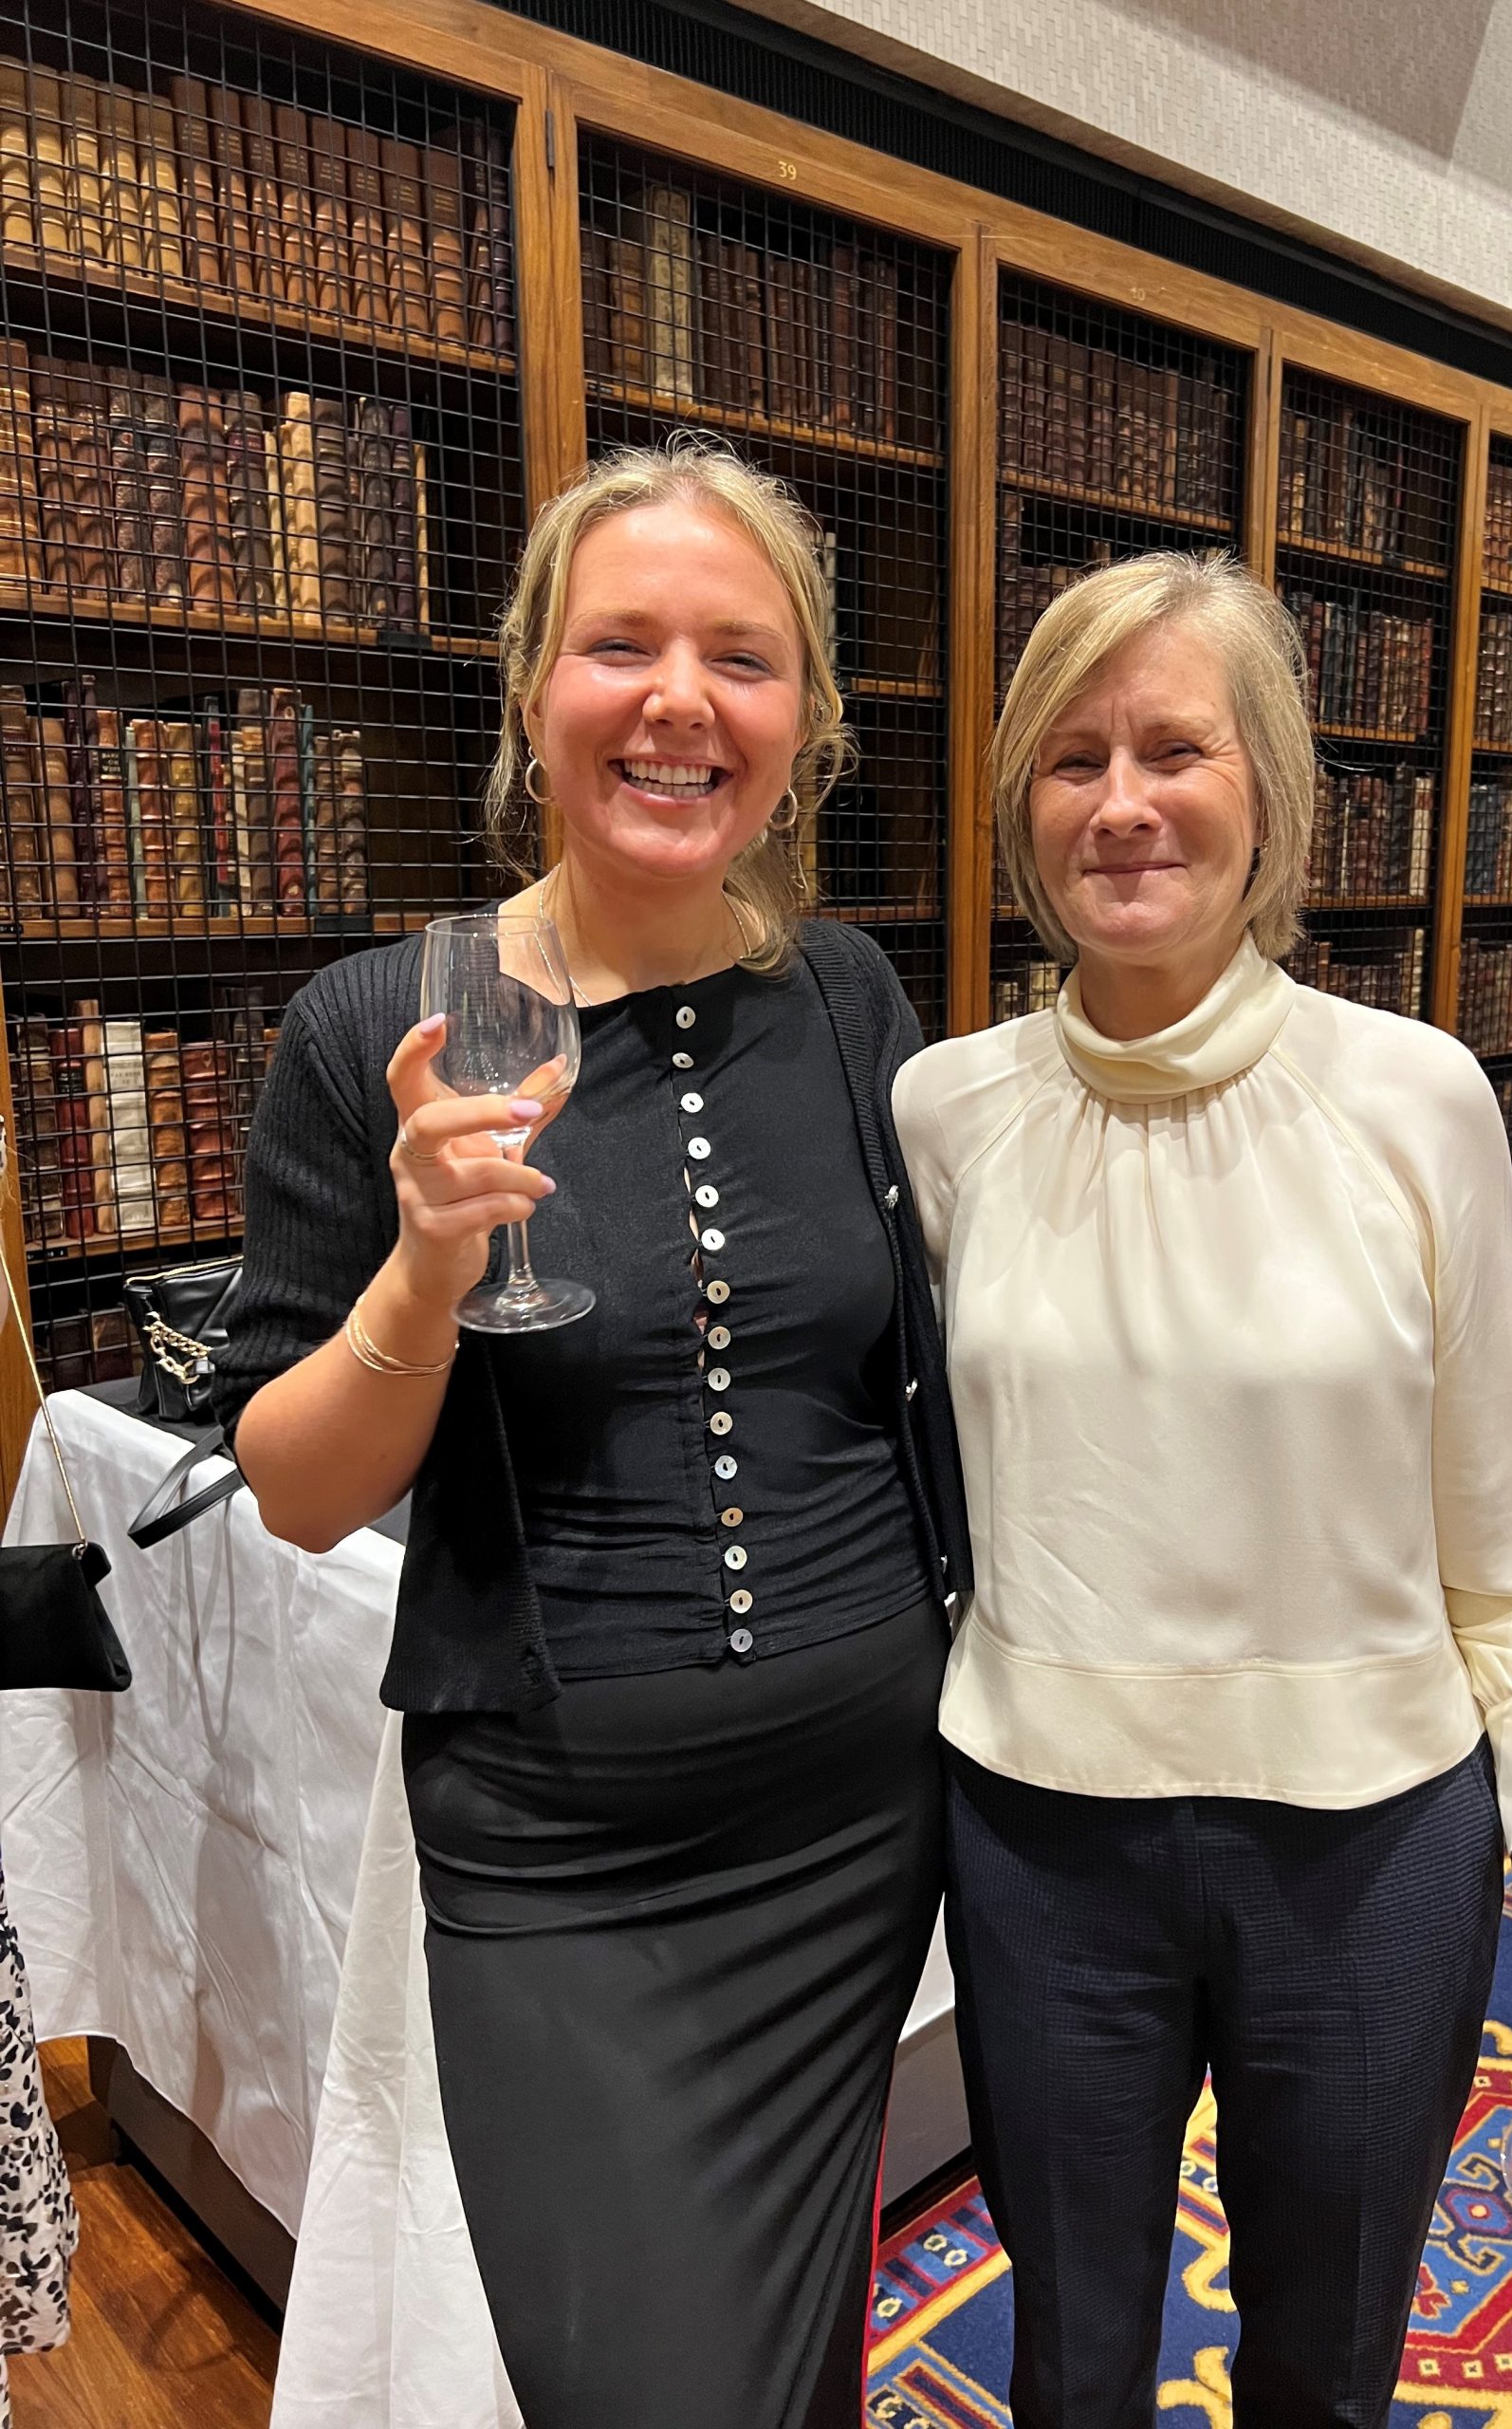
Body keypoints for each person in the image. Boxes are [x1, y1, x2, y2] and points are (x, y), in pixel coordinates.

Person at [892, 550, 1512, 2429]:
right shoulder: (943, 1109)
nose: (1123, 800)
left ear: (1268, 790)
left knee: (1328, 2356)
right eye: (1073, 756)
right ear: (1023, 807)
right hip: (1046, 1848)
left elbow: (1509, 1533)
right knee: (1074, 2357)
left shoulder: (1420, 1096)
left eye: (1175, 748)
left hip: (1371, 1851)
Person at [214, 436, 970, 2429]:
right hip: (563, 1861)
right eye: (620, 644)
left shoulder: (850, 998)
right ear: (532, 685)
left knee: (795, 2354)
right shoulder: (377, 1024)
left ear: (799, 716)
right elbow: (295, 1490)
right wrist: (421, 1277)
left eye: (742, 654)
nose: (678, 701)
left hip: (856, 1829)